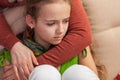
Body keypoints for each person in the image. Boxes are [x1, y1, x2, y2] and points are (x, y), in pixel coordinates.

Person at [2, 0, 100, 80]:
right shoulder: (16, 57)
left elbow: (93, 75)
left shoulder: (78, 46)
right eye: (51, 23)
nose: (61, 30)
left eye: (66, 21)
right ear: (31, 21)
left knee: (77, 72)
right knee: (44, 73)